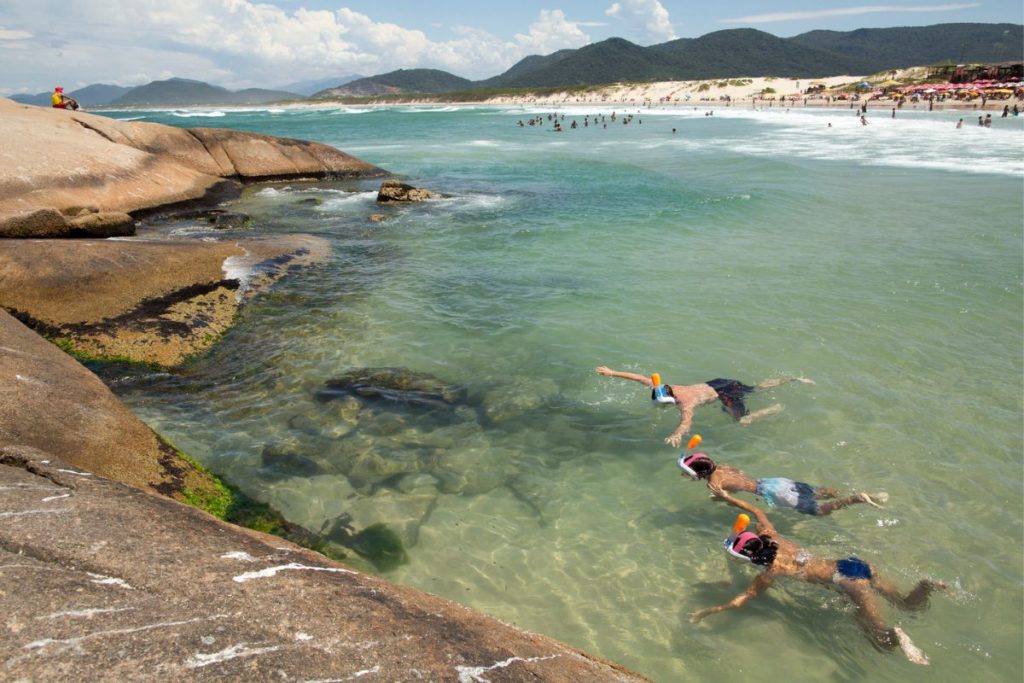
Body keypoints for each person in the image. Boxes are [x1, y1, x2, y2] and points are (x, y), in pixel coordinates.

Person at [689, 509, 947, 665]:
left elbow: (743, 598)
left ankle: (898, 634)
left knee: (881, 640)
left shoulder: (771, 571)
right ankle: (926, 585)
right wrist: (730, 500)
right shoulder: (773, 538)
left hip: (849, 583)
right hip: (855, 564)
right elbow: (758, 514)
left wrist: (710, 611)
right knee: (906, 604)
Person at [594, 367, 814, 446]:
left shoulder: (685, 402)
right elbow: (638, 378)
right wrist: (612, 372)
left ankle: (774, 409)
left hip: (725, 393)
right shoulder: (666, 387)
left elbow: (687, 421)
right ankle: (793, 379)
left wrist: (677, 434)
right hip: (716, 382)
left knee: (743, 421)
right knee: (756, 388)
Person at [677, 451, 886, 515]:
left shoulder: (713, 483)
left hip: (771, 493)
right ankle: (862, 493)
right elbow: (740, 475)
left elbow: (730, 500)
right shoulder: (722, 467)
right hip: (772, 481)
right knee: (819, 492)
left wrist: (719, 498)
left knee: (820, 510)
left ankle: (855, 499)